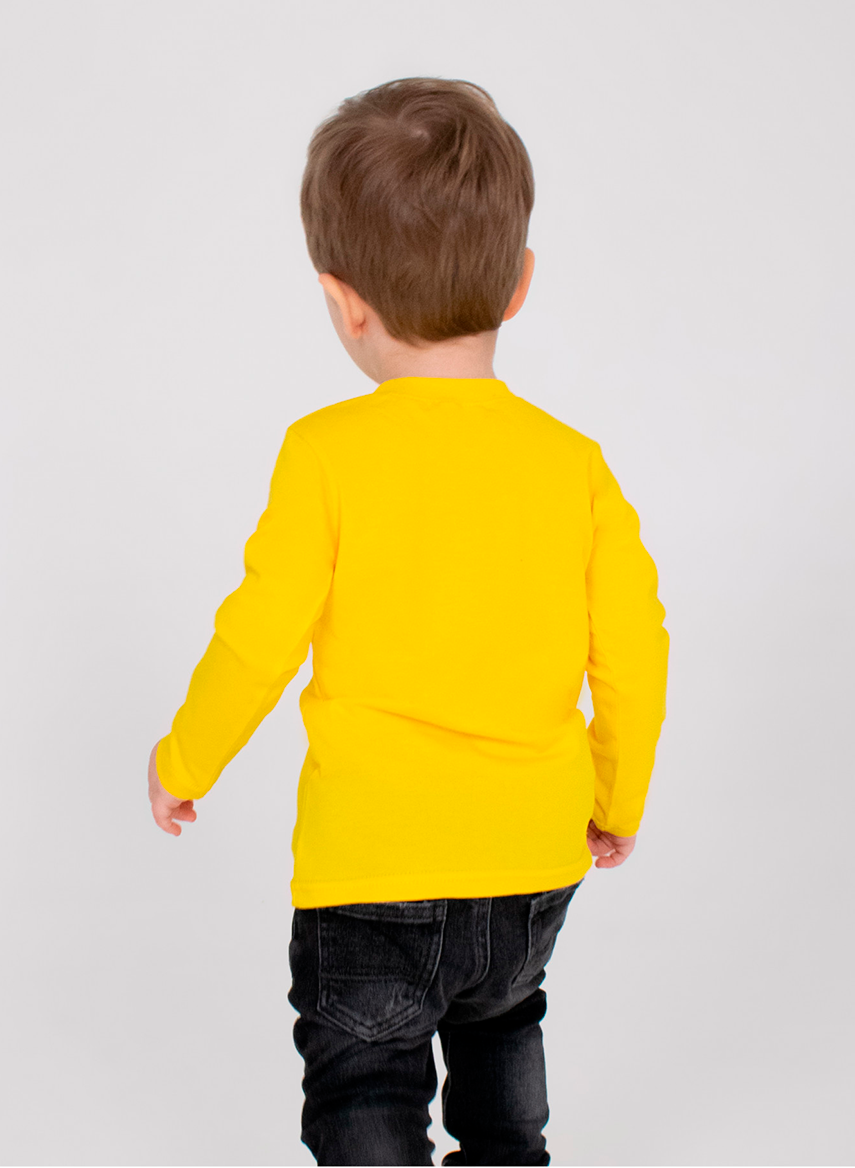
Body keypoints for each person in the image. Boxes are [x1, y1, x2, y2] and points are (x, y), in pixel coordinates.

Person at [147, 77, 669, 1166]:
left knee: (365, 1088)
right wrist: (617, 797)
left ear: (344, 302)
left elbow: (260, 634)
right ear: (519, 284)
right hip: (531, 859)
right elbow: (633, 648)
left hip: (369, 868)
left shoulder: (326, 455)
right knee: (503, 1041)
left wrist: (185, 760)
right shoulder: (572, 466)